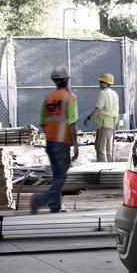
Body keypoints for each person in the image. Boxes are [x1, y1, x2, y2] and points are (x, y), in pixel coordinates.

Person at [32, 66, 79, 214]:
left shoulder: (48, 98)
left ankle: (54, 206)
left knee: (57, 175)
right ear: (66, 80)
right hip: (62, 143)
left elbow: (42, 121)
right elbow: (72, 123)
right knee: (62, 176)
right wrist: (76, 145)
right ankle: (41, 199)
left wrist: (51, 136)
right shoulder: (69, 98)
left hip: (51, 143)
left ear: (55, 81)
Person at [83, 73, 119, 162]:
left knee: (100, 148)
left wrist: (88, 118)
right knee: (109, 150)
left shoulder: (103, 93)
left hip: (103, 124)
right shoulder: (115, 94)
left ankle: (102, 170)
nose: (100, 83)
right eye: (100, 81)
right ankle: (110, 169)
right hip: (112, 124)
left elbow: (98, 109)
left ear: (107, 83)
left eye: (102, 82)